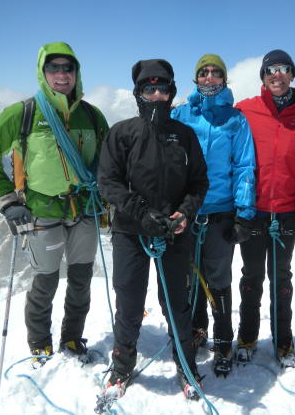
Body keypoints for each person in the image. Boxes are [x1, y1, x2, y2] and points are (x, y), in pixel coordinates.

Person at [0, 42, 109, 364]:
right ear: (42, 71)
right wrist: (8, 201)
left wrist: (111, 199)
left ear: (77, 72)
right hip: (41, 211)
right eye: (54, 67)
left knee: (81, 280)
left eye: (68, 67)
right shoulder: (23, 114)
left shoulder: (92, 116)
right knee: (45, 282)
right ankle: (39, 342)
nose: (62, 74)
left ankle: (73, 338)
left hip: (84, 209)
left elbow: (109, 161)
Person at [98, 59, 209, 399]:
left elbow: (198, 182)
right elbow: (108, 182)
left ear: (171, 92)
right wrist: (142, 214)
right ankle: (121, 366)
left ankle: (186, 365)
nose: (157, 94)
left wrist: (184, 212)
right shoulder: (123, 133)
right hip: (131, 231)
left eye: (163, 88)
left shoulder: (184, 135)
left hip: (174, 231)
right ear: (139, 93)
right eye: (150, 88)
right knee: (129, 300)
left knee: (176, 302)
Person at [171, 54, 256, 377]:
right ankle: (197, 329)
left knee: (219, 280)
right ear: (196, 79)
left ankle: (223, 340)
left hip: (220, 213)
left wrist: (244, 213)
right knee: (189, 278)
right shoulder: (181, 114)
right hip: (187, 212)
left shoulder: (235, 120)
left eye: (215, 72)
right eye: (203, 72)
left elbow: (245, 166)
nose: (209, 77)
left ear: (224, 79)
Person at [234, 49, 295, 368]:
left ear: (292, 75)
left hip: (286, 212)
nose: (277, 75)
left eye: (283, 69)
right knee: (251, 276)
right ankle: (247, 337)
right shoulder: (246, 110)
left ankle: (283, 342)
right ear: (263, 77)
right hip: (253, 210)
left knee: (282, 279)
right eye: (271, 70)